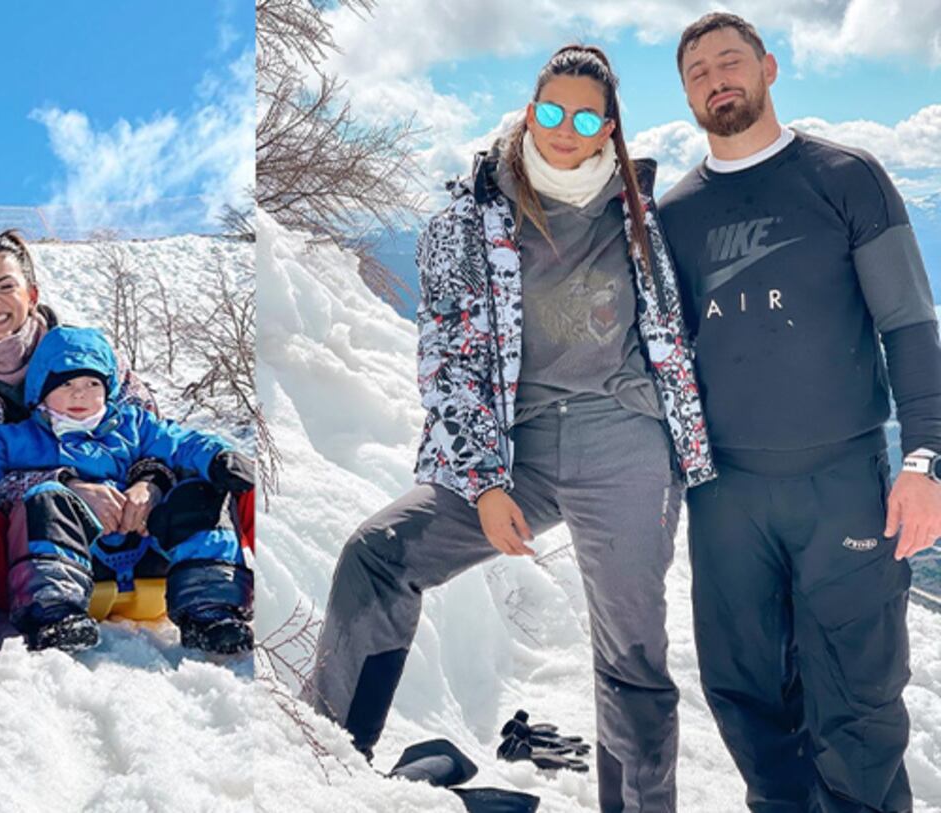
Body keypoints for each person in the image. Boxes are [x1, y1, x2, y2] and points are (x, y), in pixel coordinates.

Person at [302, 45, 714, 813]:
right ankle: (325, 766)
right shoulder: (468, 219)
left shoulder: (644, 213)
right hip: (516, 447)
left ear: (608, 129)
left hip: (625, 439)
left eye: (585, 116)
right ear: (531, 112)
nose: (565, 127)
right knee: (378, 554)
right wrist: (486, 482)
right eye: (551, 110)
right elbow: (449, 363)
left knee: (631, 652)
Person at [659, 13, 941, 812]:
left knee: (858, 703)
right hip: (726, 494)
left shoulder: (845, 177)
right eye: (697, 71)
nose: (717, 77)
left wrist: (924, 459)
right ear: (684, 95)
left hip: (842, 481)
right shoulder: (676, 215)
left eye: (730, 61)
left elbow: (910, 323)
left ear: (769, 68)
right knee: (744, 695)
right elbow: (664, 358)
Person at [0, 230, 249, 693]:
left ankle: (241, 595)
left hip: (138, 525)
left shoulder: (88, 356)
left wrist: (148, 483)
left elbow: (156, 435)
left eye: (5, 285)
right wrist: (66, 483)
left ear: (32, 294)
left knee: (225, 478)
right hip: (31, 541)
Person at [0, 326, 254, 656]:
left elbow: (183, 442)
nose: (80, 394)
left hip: (148, 549)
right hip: (81, 560)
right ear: (40, 391)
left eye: (92, 383)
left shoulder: (134, 424)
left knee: (201, 492)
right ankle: (53, 612)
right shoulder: (21, 437)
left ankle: (211, 608)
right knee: (45, 498)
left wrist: (218, 457)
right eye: (67, 384)